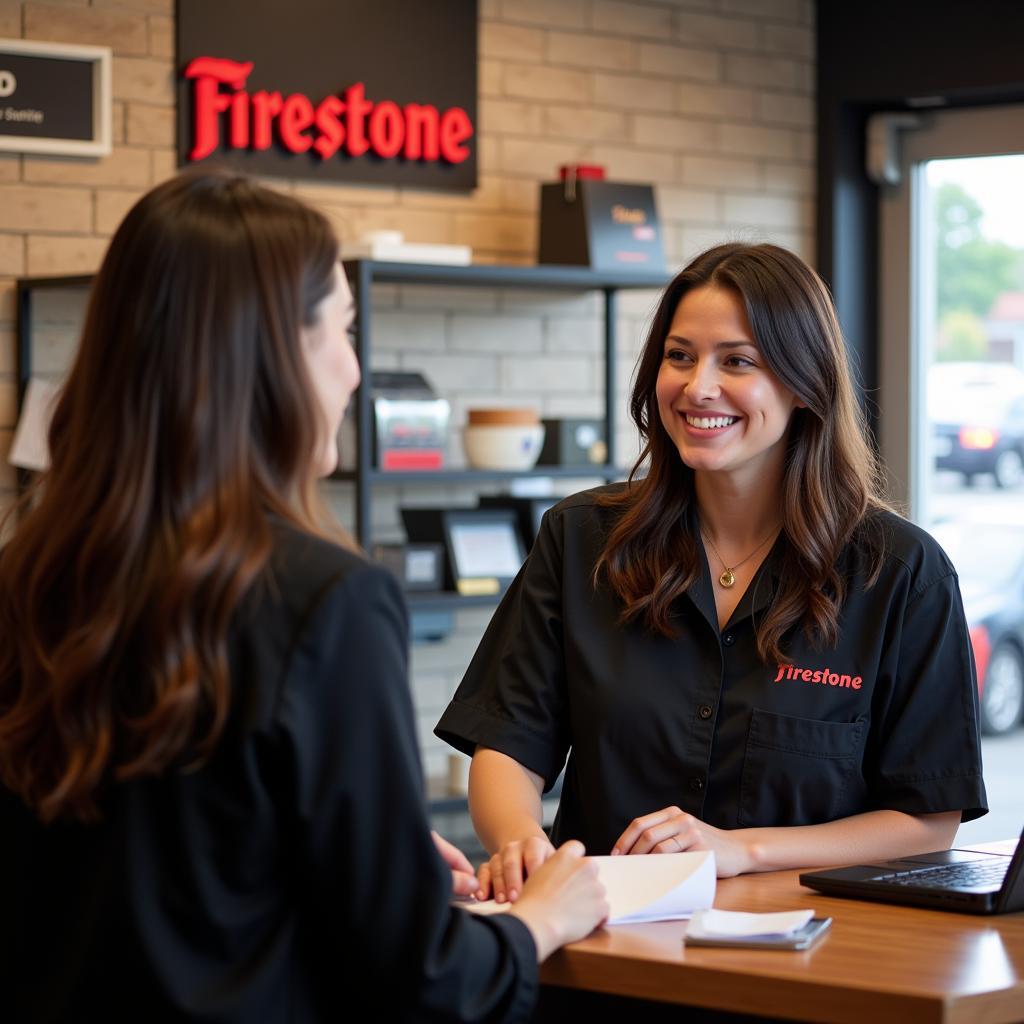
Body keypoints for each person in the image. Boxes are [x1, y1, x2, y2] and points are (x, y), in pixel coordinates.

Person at [0, 170, 607, 1023]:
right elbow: (421, 980)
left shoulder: (29, 574)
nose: (356, 372)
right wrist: (541, 921)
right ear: (272, 353)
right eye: (346, 330)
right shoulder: (329, 600)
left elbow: (152, 862)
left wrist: (367, 861)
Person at [435, 242, 988, 904]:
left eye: (738, 362)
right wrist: (518, 839)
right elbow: (508, 744)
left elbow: (927, 821)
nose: (698, 387)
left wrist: (741, 850)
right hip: (602, 946)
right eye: (679, 356)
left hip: (816, 962)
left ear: (803, 384)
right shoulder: (580, 540)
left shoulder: (901, 574)